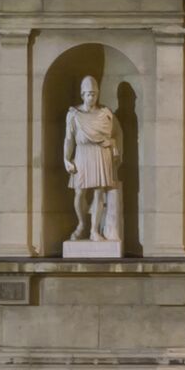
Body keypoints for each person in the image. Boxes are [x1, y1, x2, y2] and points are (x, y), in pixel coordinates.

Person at [64, 73, 126, 252]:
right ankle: (81, 225)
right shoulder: (74, 114)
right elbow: (69, 139)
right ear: (82, 95)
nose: (92, 97)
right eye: (88, 93)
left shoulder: (105, 114)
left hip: (101, 154)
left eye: (94, 93)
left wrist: (115, 149)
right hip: (82, 154)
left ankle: (93, 230)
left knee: (99, 193)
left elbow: (117, 134)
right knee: (79, 192)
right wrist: (66, 159)